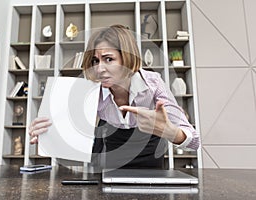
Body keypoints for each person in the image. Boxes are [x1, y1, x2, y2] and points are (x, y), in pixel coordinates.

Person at [29, 24, 200, 169]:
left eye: (108, 59)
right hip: (111, 162)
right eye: (96, 61)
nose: (99, 69)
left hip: (150, 161)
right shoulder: (91, 91)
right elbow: (64, 124)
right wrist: (48, 134)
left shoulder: (153, 84)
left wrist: (172, 133)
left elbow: (195, 141)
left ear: (127, 58)